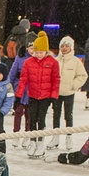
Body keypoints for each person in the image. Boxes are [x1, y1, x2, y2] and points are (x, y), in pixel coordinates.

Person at [16, 31, 60, 159]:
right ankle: (33, 142)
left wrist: (54, 95)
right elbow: (23, 79)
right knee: (31, 119)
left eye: (41, 52)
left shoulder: (53, 62)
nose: (38, 55)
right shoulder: (29, 62)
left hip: (45, 97)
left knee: (41, 119)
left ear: (46, 51)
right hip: (33, 95)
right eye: (36, 52)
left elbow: (56, 80)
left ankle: (40, 143)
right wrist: (19, 95)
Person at [52, 36, 87, 151]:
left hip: (69, 93)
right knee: (56, 115)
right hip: (57, 93)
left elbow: (83, 76)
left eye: (67, 46)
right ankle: (55, 138)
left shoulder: (76, 62)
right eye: (62, 46)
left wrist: (73, 85)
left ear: (71, 47)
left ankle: (69, 137)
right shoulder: (55, 61)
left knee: (68, 116)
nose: (64, 48)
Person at [8, 32, 37, 147]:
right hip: (20, 89)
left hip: (31, 90)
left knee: (29, 114)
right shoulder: (20, 58)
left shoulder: (37, 59)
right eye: (30, 48)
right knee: (18, 112)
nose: (32, 50)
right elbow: (12, 73)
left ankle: (27, 135)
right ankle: (16, 134)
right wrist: (9, 86)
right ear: (27, 48)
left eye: (34, 48)